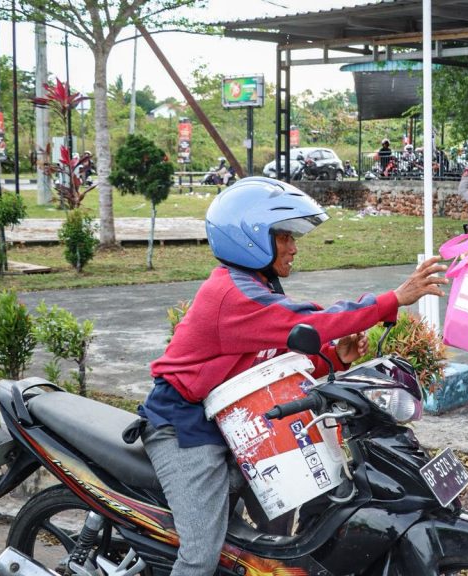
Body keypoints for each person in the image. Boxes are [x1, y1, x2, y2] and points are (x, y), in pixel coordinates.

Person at [139, 177, 447, 576]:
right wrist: (393, 299)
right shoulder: (230, 294)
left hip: (236, 417)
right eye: (284, 237)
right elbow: (313, 322)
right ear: (249, 238)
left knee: (281, 517)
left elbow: (268, 364)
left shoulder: (257, 286)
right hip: (184, 426)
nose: (293, 247)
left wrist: (335, 357)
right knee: (200, 554)